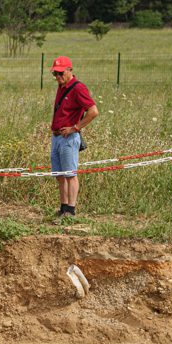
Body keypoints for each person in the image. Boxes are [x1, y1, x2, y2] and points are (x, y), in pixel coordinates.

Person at [49, 56, 99, 221]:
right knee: (60, 175)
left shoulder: (78, 88)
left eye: (60, 73)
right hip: (56, 137)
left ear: (70, 70)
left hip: (68, 138)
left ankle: (71, 210)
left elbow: (93, 111)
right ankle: (63, 208)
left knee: (70, 174)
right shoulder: (61, 86)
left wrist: (75, 128)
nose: (57, 77)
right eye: (55, 74)